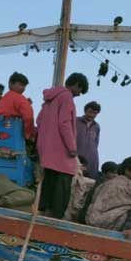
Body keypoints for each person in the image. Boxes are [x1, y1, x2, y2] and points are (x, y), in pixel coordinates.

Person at [36, 73, 89, 218]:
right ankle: (56, 213)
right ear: (76, 84)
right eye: (80, 90)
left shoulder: (50, 97)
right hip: (61, 147)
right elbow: (64, 123)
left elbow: (39, 120)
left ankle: (45, 208)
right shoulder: (66, 97)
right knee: (65, 179)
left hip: (47, 145)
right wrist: (72, 147)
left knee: (50, 177)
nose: (79, 94)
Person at [85, 156, 131, 230]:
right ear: (127, 170)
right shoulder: (129, 184)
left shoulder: (107, 183)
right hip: (109, 221)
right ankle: (127, 229)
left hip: (92, 219)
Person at [0, 72, 36, 140]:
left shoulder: (4, 99)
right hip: (16, 136)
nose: (23, 88)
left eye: (24, 86)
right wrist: (28, 134)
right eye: (20, 84)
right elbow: (29, 117)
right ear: (10, 83)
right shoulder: (20, 98)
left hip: (2, 135)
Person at [75, 101, 102, 179]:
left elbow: (96, 143)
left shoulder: (97, 126)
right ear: (85, 111)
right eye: (90, 112)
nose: (91, 115)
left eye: (95, 113)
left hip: (91, 158)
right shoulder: (75, 121)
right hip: (76, 156)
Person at [65, 156, 96, 221]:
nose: (85, 169)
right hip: (70, 202)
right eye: (84, 166)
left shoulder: (72, 172)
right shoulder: (77, 174)